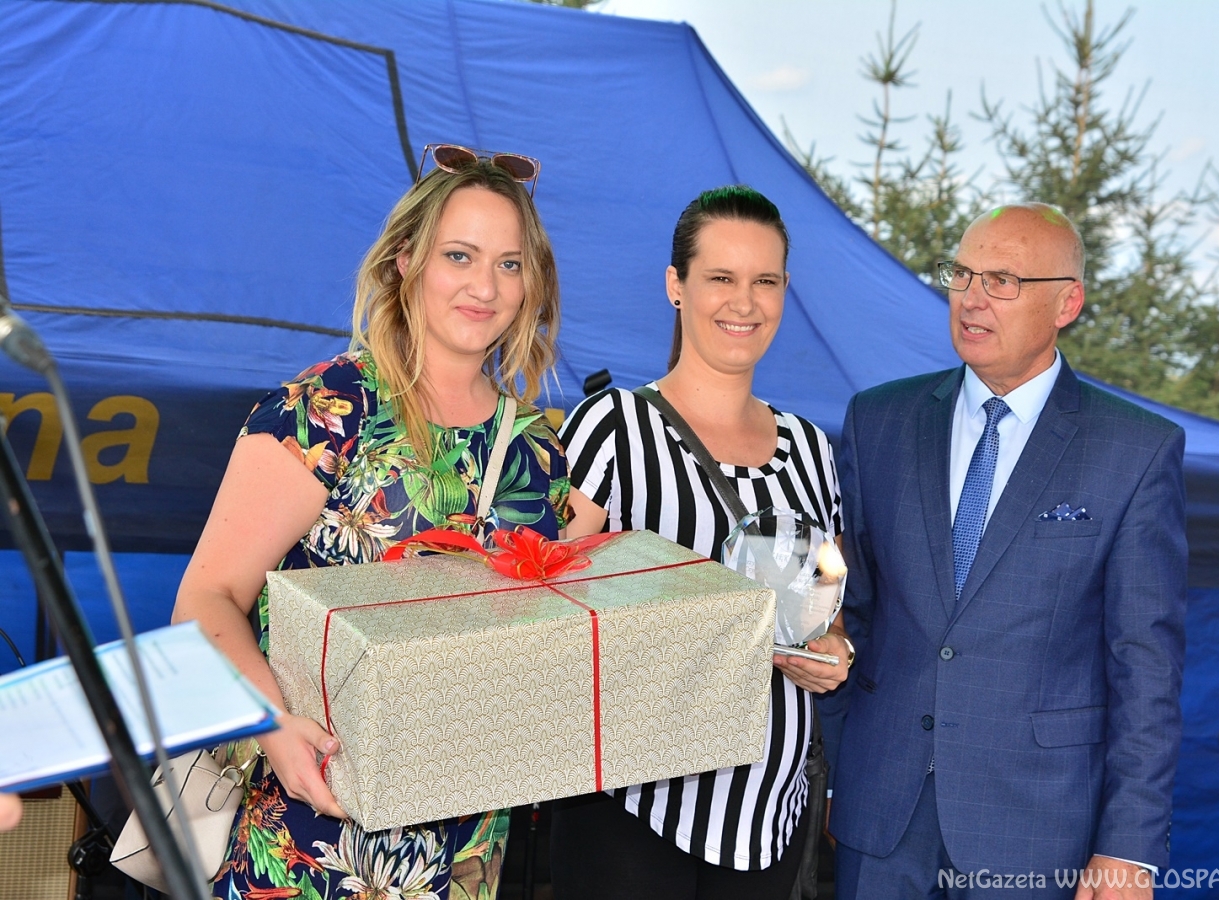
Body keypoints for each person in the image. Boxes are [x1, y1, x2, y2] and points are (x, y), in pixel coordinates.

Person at [171, 145, 569, 900]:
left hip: (464, 853)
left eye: (510, 264)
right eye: (459, 255)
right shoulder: (328, 409)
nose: (485, 286)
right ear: (404, 261)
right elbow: (203, 599)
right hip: (305, 836)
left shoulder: (537, 452)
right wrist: (271, 727)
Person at [821, 203, 1186, 900]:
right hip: (880, 817)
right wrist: (839, 777)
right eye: (961, 274)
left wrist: (1128, 849)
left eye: (1003, 281)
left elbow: (1145, 667)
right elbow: (850, 611)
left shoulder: (1136, 450)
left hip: (1038, 830)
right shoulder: (879, 420)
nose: (972, 298)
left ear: (1067, 303)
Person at [552, 185, 851, 900]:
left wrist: (833, 651)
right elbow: (542, 605)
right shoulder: (613, 426)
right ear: (675, 286)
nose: (744, 302)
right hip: (631, 808)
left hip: (770, 816)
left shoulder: (812, 448)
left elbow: (827, 599)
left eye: (765, 281)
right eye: (721, 277)